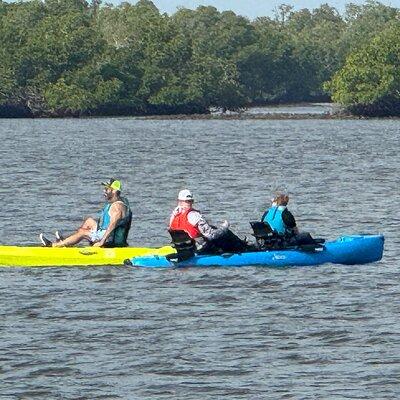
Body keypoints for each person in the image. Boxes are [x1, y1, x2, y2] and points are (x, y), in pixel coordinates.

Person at [39, 179, 132, 247]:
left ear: (114, 191)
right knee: (89, 221)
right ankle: (67, 241)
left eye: (107, 189)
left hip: (110, 240)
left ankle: (55, 245)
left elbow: (112, 225)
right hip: (105, 234)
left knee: (83, 232)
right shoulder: (118, 202)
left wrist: (102, 242)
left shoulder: (117, 207)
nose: (104, 191)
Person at [169, 189, 249, 254]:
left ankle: (242, 245)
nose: (189, 203)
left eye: (190, 201)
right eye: (188, 201)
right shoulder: (194, 215)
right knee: (226, 233)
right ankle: (244, 248)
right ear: (180, 201)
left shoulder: (174, 216)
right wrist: (224, 227)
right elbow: (211, 235)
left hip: (182, 247)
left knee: (213, 227)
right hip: (200, 248)